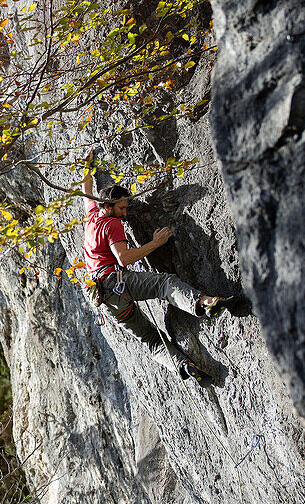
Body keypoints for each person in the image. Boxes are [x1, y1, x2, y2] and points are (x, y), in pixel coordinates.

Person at [81, 148, 231, 385]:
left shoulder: (92, 216)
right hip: (116, 282)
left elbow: (86, 190)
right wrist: (156, 242)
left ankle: (182, 366)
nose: (125, 213)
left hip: (104, 299)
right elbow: (124, 259)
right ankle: (204, 303)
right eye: (122, 208)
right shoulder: (112, 224)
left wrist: (87, 167)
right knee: (165, 284)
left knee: (151, 339)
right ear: (109, 206)